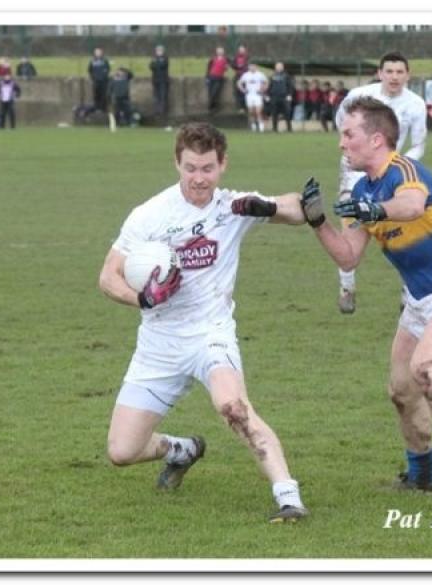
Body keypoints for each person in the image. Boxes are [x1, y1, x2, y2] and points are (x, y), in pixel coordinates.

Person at [236, 97, 432, 513]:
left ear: (376, 139)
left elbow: (412, 206)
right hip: (419, 301)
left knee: (428, 370)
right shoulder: (362, 189)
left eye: (349, 134)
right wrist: (318, 221)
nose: (341, 144)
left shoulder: (406, 171)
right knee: (400, 391)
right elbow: (348, 256)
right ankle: (423, 474)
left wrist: (373, 208)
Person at [99, 122, 309, 523]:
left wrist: (266, 207)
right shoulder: (149, 215)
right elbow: (108, 277)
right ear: (177, 163)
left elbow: (301, 208)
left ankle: (288, 497)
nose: (199, 178)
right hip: (159, 341)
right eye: (191, 168)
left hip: (210, 333)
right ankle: (182, 450)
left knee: (233, 406)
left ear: (223, 165)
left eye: (208, 168)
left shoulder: (232, 206)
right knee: (122, 452)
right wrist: (141, 298)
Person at [332, 51, 427, 314]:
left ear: (407, 75)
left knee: (405, 233)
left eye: (399, 72)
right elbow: (343, 124)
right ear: (380, 73)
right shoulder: (359, 97)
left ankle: (410, 293)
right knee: (351, 234)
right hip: (355, 175)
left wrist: (395, 167)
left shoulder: (416, 104)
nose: (394, 77)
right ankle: (347, 289)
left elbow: (419, 145)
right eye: (389, 71)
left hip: (393, 178)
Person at [237, 62, 268, 132]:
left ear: (256, 67)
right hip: (249, 95)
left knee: (258, 111)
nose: (252, 68)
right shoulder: (246, 75)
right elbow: (239, 83)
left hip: (257, 95)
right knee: (251, 112)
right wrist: (243, 90)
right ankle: (253, 126)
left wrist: (262, 90)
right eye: (251, 66)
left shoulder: (260, 74)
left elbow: (266, 82)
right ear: (249, 67)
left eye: (253, 66)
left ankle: (261, 127)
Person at [265, 61, 294, 133]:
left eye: (280, 66)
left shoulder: (286, 76)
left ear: (283, 67)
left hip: (284, 97)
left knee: (287, 112)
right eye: (277, 66)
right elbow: (269, 86)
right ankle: (274, 129)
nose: (279, 67)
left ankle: (289, 128)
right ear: (275, 67)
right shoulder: (272, 76)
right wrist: (267, 95)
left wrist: (289, 95)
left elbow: (290, 86)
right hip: (274, 97)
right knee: (274, 113)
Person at [149, 45, 170, 123]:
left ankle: (162, 111)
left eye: (160, 50)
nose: (158, 52)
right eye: (157, 50)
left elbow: (163, 65)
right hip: (155, 80)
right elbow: (151, 66)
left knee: (163, 96)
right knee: (156, 96)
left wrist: (156, 63)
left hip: (163, 80)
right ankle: (157, 110)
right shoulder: (154, 58)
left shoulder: (165, 58)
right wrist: (156, 63)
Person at [87, 47, 111, 115]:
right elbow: (89, 70)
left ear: (101, 53)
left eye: (99, 52)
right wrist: (93, 77)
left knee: (103, 95)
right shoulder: (92, 61)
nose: (98, 53)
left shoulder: (105, 61)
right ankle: (97, 109)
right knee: (96, 95)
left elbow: (108, 69)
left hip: (103, 81)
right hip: (96, 81)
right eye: (96, 52)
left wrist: (104, 76)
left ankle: (104, 109)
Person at [206, 46, 228, 114]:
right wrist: (207, 77)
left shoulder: (225, 59)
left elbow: (226, 68)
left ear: (223, 52)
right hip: (211, 77)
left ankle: (211, 107)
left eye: (221, 50)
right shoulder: (213, 59)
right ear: (216, 51)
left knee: (215, 93)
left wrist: (226, 68)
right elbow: (208, 68)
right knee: (211, 93)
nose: (220, 52)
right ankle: (213, 108)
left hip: (219, 78)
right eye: (218, 50)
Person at [230, 45, 249, 112]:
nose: (241, 51)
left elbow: (249, 65)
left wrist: (244, 67)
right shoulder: (236, 57)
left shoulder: (247, 57)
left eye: (242, 49)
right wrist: (238, 66)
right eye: (240, 50)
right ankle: (240, 107)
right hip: (238, 75)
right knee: (237, 92)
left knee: (245, 91)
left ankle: (245, 107)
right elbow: (232, 65)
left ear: (245, 50)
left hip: (246, 76)